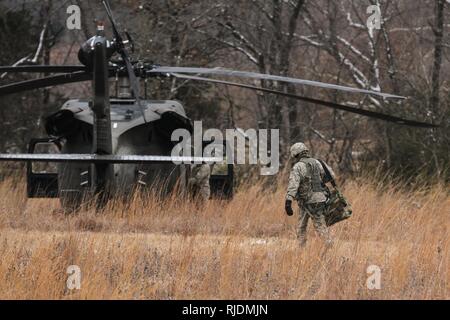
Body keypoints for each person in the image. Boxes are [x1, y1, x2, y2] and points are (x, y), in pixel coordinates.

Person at [285, 142, 335, 247]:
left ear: (296, 154)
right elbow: (331, 175)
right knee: (320, 226)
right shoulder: (318, 162)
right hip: (320, 199)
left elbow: (293, 185)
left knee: (301, 227)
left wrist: (288, 201)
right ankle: (329, 246)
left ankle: (302, 249)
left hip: (306, 201)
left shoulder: (298, 166)